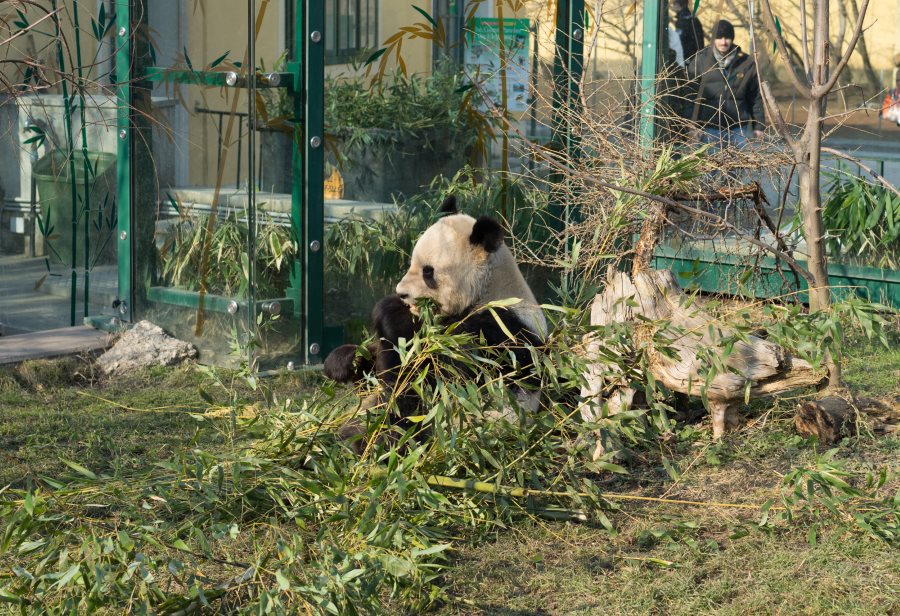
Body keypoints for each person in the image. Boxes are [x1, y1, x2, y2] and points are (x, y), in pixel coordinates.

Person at [684, 19, 766, 148]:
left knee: (738, 167)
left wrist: (759, 126)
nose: (723, 41)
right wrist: (691, 125)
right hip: (709, 129)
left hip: (739, 129)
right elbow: (690, 96)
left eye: (727, 37)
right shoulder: (700, 61)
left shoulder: (746, 63)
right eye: (719, 37)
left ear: (732, 38)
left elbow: (755, 96)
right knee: (712, 167)